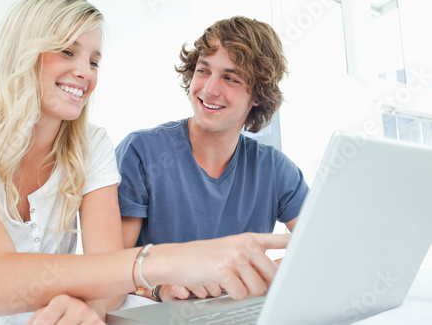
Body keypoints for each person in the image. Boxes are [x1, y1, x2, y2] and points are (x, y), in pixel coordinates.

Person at [0, 0, 290, 324]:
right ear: (20, 52)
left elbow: (111, 281)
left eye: (94, 61)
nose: (85, 72)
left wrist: (90, 306)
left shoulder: (91, 144)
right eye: (67, 52)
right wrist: (172, 262)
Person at [117, 16, 309, 302]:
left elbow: (323, 246)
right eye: (203, 70)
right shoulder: (143, 152)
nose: (209, 89)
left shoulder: (274, 169)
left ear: (257, 94)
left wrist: (251, 277)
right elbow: (109, 270)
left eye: (230, 78)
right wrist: (160, 289)